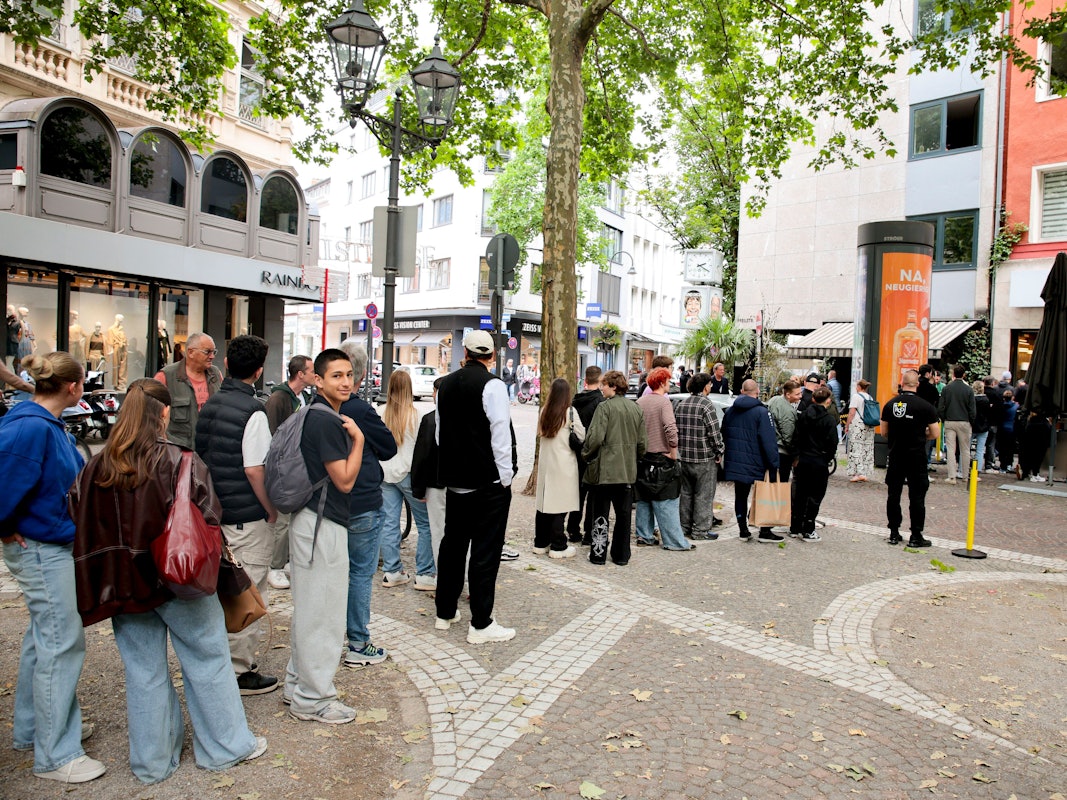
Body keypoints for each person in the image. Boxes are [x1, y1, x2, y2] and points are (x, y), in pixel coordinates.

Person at [71, 378, 266, 783]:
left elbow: (75, 509)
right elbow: (210, 514)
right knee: (208, 661)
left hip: (122, 582)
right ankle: (225, 747)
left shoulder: (96, 464)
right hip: (179, 578)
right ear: (163, 414)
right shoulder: (180, 460)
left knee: (143, 672)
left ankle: (152, 762)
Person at [0, 352, 105, 784]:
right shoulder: (30, 427)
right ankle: (55, 753)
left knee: (43, 639)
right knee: (62, 643)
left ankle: (33, 730)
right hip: (43, 548)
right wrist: (5, 527)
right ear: (75, 387)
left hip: (49, 543)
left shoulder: (41, 424)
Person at [194, 335, 279, 696]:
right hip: (245, 513)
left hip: (215, 509)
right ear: (258, 371)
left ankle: (223, 662)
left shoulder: (211, 404)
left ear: (226, 363)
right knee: (247, 590)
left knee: (222, 590)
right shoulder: (253, 410)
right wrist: (270, 508)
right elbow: (255, 469)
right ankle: (239, 670)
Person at [285, 349, 365, 724]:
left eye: (348, 374)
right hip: (322, 524)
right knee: (324, 613)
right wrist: (360, 441)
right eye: (336, 376)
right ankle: (313, 699)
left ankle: (296, 685)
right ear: (317, 380)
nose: (345, 382)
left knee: (310, 606)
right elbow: (345, 481)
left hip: (309, 520)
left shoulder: (311, 413)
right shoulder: (329, 422)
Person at [433, 330, 517, 644]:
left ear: (464, 353)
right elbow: (501, 436)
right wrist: (505, 478)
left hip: (456, 481)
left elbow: (440, 434)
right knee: (485, 551)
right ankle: (481, 623)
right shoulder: (493, 385)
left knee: (452, 545)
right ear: (492, 356)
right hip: (487, 482)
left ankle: (445, 611)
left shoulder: (445, 385)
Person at [338, 338, 397, 668]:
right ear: (361, 377)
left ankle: (336, 636)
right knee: (360, 573)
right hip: (361, 501)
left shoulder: (317, 406)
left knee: (336, 573)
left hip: (330, 504)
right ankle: (358, 642)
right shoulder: (360, 410)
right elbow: (388, 447)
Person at [581, 370, 646, 565]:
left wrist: (586, 454)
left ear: (614, 386)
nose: (602, 388)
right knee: (624, 515)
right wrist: (634, 459)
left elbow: (595, 438)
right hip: (626, 471)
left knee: (600, 514)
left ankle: (598, 554)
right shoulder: (636, 409)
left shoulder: (604, 408)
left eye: (605, 385)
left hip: (605, 471)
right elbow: (642, 443)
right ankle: (621, 555)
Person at [378, 369, 435, 590]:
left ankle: (392, 571)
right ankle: (425, 574)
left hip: (385, 474)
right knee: (426, 525)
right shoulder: (417, 415)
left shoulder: (380, 412)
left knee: (389, 523)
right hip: (411, 475)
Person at [263, 354, 315, 590]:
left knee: (294, 519)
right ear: (300, 374)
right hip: (285, 468)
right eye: (311, 370)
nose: (315, 374)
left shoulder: (303, 396)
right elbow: (272, 435)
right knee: (282, 521)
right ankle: (274, 567)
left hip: (299, 466)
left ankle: (285, 561)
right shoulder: (278, 399)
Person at [635, 367, 691, 552]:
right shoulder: (663, 403)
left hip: (643, 457)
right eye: (668, 380)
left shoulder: (640, 402)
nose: (670, 383)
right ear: (661, 382)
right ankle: (674, 541)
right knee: (666, 499)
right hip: (662, 456)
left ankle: (644, 535)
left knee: (644, 498)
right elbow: (670, 428)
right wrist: (673, 450)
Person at [882, 370, 939, 547]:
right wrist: (922, 436)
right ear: (917, 384)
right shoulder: (926, 407)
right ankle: (915, 535)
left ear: (902, 382)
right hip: (916, 456)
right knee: (917, 496)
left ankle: (893, 532)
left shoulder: (890, 405)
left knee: (893, 494)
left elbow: (884, 432)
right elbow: (935, 433)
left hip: (896, 454)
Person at [721, 379, 781, 543]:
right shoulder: (762, 412)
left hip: (736, 459)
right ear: (757, 392)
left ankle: (743, 529)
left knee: (740, 495)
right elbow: (769, 441)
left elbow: (724, 433)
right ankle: (765, 529)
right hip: (757, 459)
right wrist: (773, 463)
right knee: (763, 494)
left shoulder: (730, 411)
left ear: (741, 391)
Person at [533, 378, 582, 558]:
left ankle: (540, 542)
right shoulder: (569, 412)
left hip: (547, 464)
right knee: (560, 505)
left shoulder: (544, 411)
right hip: (564, 463)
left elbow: (539, 433)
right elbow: (581, 435)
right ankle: (558, 545)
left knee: (544, 504)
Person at [674, 372, 724, 541]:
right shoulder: (706, 405)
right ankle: (701, 531)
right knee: (704, 494)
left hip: (684, 456)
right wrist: (719, 451)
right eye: (709, 385)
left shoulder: (682, 404)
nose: (710, 387)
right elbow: (714, 432)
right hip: (703, 457)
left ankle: (684, 526)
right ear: (704, 387)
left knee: (685, 493)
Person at [155, 332, 223, 448]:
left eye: (214, 352)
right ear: (190, 352)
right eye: (207, 352)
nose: (212, 356)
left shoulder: (215, 374)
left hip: (211, 450)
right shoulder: (166, 376)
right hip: (179, 451)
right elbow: (152, 416)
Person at [791, 386, 839, 542]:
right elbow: (833, 443)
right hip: (819, 460)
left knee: (800, 494)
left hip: (804, 459)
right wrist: (827, 458)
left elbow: (796, 437)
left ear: (813, 399)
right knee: (815, 495)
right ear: (828, 401)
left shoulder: (803, 416)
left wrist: (797, 455)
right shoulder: (829, 420)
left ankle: (795, 526)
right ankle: (809, 528)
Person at [567, 366, 605, 544]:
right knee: (593, 496)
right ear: (600, 380)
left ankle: (573, 530)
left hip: (576, 451)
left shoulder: (575, 400)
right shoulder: (600, 402)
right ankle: (589, 533)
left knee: (577, 494)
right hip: (594, 453)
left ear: (585, 379)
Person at [411, 376, 446, 566]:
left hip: (435, 483)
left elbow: (422, 455)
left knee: (438, 531)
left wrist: (418, 488)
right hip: (460, 484)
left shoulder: (430, 419)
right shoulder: (465, 418)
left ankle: (443, 577)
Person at [937, 365, 975, 484]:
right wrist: (970, 421)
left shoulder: (947, 389)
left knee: (951, 449)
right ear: (963, 374)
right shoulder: (968, 389)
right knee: (965, 449)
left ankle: (952, 476)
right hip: (964, 421)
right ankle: (964, 475)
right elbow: (972, 409)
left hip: (950, 421)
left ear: (953, 374)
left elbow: (941, 407)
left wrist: (944, 418)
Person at [767, 379, 802, 483]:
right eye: (797, 394)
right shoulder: (788, 411)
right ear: (788, 394)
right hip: (782, 452)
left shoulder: (774, 400)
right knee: (781, 483)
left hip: (770, 447)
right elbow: (788, 437)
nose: (800, 396)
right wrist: (795, 455)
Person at [845, 379, 876, 482]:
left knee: (856, 448)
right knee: (866, 448)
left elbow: (852, 412)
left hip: (858, 425)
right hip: (869, 425)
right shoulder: (869, 397)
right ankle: (865, 472)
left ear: (859, 386)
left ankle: (858, 473)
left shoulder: (856, 396)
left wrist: (847, 425)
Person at [916, 365, 940, 467]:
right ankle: (923, 468)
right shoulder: (931, 389)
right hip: (926, 420)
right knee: (925, 446)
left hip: (913, 418)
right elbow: (936, 404)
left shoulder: (915, 386)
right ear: (928, 374)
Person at [1018, 412, 1051, 482]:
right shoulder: (1044, 422)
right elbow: (1048, 431)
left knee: (1029, 457)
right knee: (1038, 458)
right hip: (1041, 443)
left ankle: (1026, 473)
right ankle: (1035, 474)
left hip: (1029, 442)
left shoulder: (1030, 421)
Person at [982, 375, 1004, 473]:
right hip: (993, 422)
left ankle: (975, 464)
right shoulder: (997, 394)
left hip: (980, 422)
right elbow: (1000, 409)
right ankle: (988, 464)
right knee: (990, 444)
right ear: (993, 383)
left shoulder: (981, 392)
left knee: (979, 444)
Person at [970, 380, 991, 473]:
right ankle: (977, 468)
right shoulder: (986, 400)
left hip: (972, 426)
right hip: (983, 426)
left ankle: (962, 468)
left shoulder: (972, 400)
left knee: (966, 448)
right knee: (980, 449)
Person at [997, 388, 1018, 473]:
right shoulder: (1016, 407)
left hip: (1002, 429)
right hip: (1012, 429)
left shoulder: (1000, 406)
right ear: (1012, 397)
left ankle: (1003, 465)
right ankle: (1009, 464)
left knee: (1002, 448)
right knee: (1010, 448)